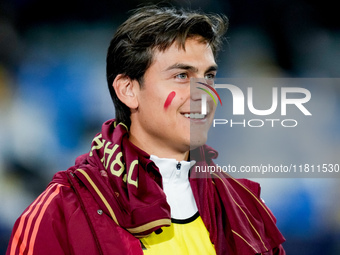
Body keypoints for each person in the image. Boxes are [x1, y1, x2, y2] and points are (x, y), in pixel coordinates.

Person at [6, 5, 285, 255]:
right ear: (128, 90)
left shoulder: (245, 208)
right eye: (181, 76)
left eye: (208, 76)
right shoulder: (60, 212)